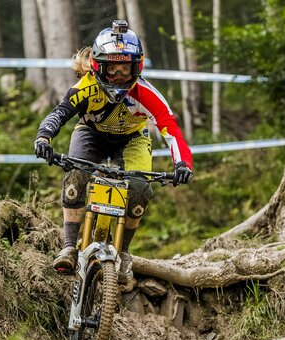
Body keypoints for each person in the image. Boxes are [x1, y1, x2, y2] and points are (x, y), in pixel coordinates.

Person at [34, 20, 193, 282]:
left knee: (140, 189)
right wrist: (44, 138)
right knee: (75, 177)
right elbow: (60, 114)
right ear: (98, 67)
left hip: (132, 139)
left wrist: (182, 164)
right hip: (91, 134)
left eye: (125, 69)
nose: (119, 76)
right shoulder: (85, 88)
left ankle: (125, 252)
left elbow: (171, 130)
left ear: (137, 68)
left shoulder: (147, 94)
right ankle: (69, 246)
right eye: (112, 69)